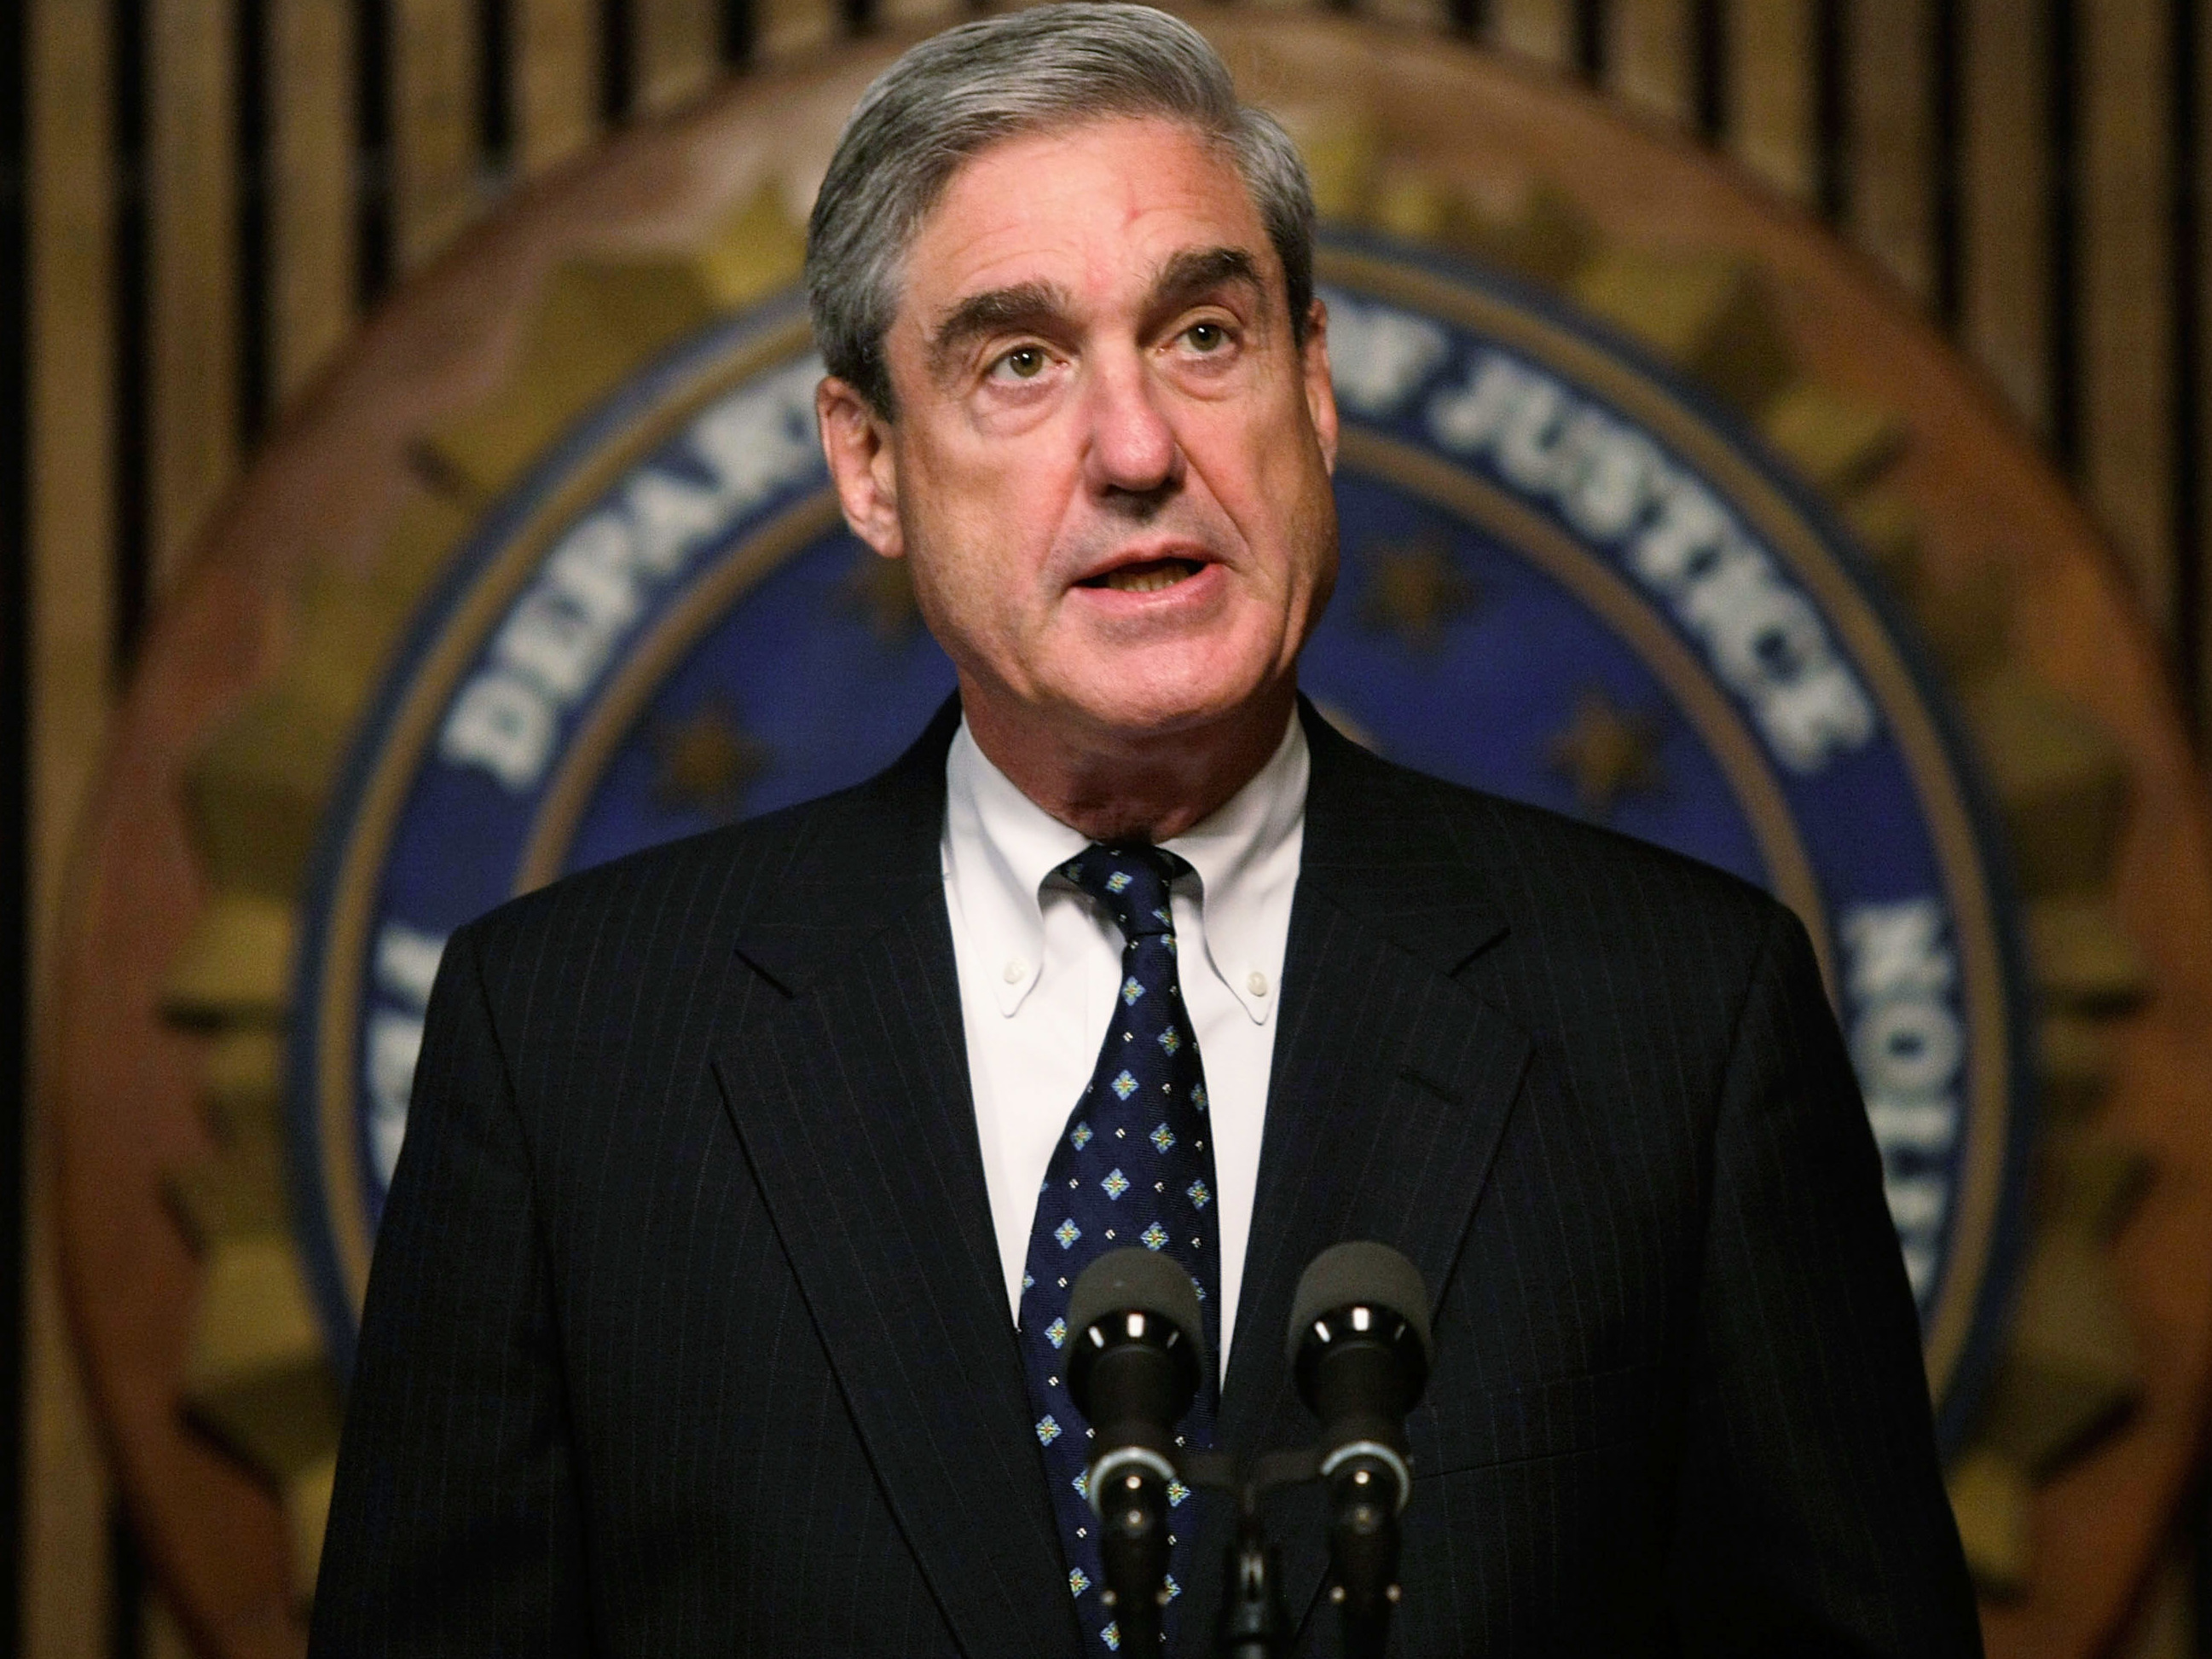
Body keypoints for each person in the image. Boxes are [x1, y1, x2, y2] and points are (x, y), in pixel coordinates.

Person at [308, 7, 1983, 1656]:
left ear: (1310, 387)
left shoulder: (1679, 1022)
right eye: (1019, 363)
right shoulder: (572, 1052)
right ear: (869, 462)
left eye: (1200, 335)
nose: (1134, 450)